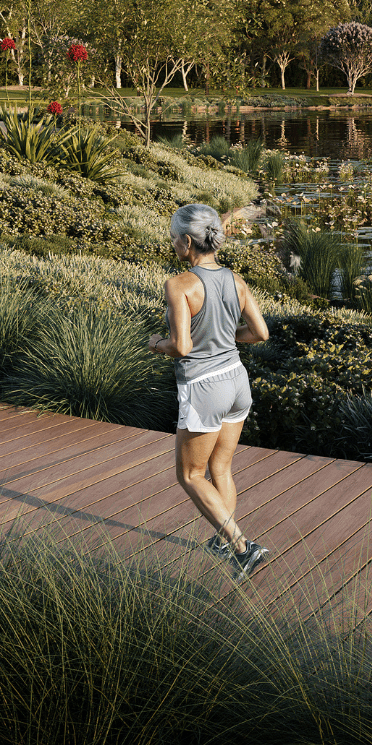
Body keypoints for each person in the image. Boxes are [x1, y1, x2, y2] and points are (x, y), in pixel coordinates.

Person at [147, 203, 273, 577]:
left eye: (174, 238)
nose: (173, 244)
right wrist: (222, 338)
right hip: (236, 381)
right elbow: (260, 333)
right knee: (220, 466)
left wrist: (156, 344)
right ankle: (223, 542)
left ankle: (243, 548)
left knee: (190, 475)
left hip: (204, 388)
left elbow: (181, 346)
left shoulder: (179, 284)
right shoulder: (236, 280)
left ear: (188, 242)